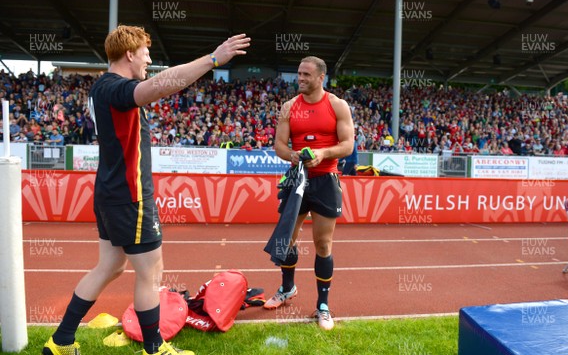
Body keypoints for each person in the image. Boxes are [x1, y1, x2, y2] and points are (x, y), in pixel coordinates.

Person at [42, 25, 250, 355]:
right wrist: (213, 58)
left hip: (111, 192)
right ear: (129, 54)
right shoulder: (116, 88)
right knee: (151, 273)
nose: (148, 60)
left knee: (109, 267)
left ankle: (61, 340)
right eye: (146, 54)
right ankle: (154, 348)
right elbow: (161, 85)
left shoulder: (101, 88)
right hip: (130, 194)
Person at [265, 56, 354, 330]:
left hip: (326, 179)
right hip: (297, 179)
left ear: (320, 78)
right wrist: (292, 155)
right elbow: (279, 145)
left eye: (305, 74)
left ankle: (323, 306)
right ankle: (287, 288)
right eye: (299, 74)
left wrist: (324, 153)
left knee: (323, 244)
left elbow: (348, 145)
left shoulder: (337, 105)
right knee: (286, 241)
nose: (300, 79)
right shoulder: (288, 107)